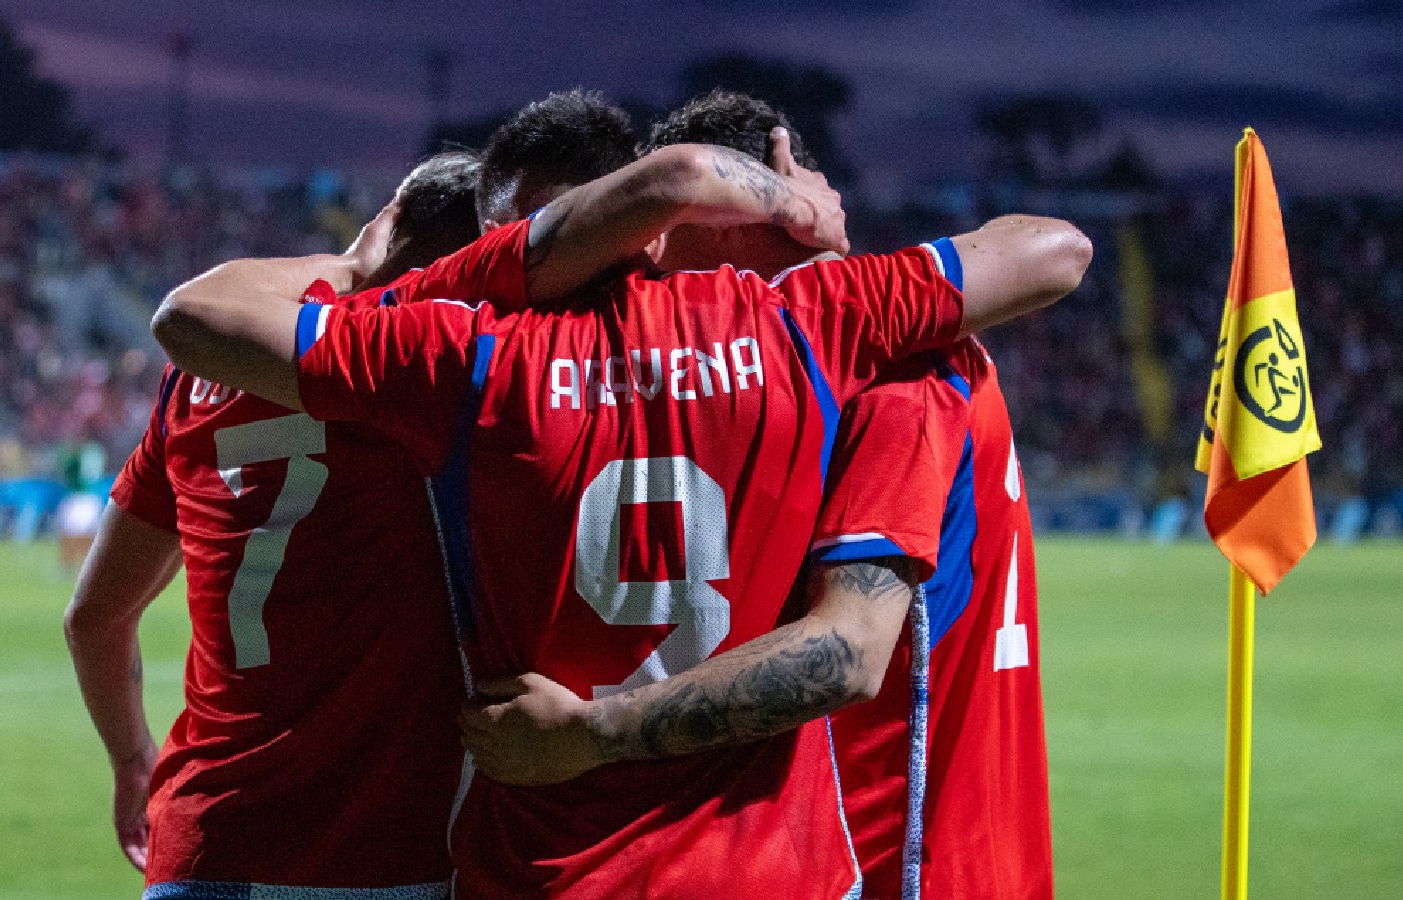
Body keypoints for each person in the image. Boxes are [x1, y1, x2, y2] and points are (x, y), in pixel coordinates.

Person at [153, 85, 1083, 896]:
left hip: (543, 869)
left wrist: (364, 271)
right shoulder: (814, 325)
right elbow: (1053, 251)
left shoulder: (464, 360)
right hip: (768, 871)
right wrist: (809, 216)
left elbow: (193, 319)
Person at [75, 129, 851, 898]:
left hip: (203, 844)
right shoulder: (434, 377)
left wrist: (131, 761)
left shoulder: (202, 384)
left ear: (386, 220)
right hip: (384, 854)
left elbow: (94, 616)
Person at [459, 93, 1070, 899]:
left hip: (904, 851)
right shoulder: (877, 345)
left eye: (657, 231)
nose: (638, 268)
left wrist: (587, 735)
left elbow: (848, 650)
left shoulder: (894, 377)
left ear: (731, 206)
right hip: (952, 842)